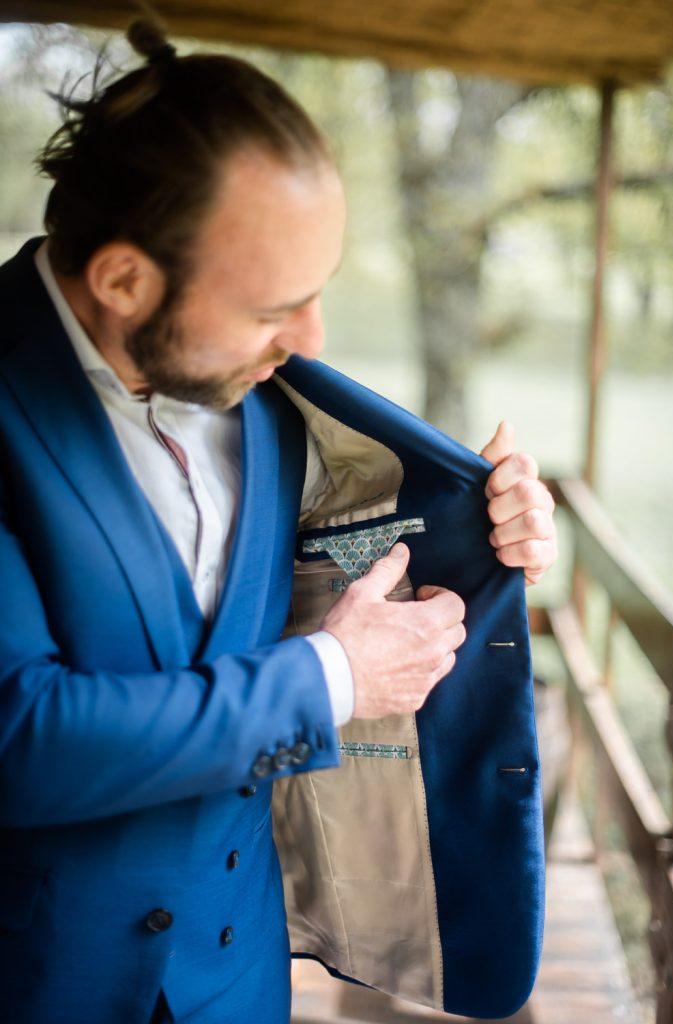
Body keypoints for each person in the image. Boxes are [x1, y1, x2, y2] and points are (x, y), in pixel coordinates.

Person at [0, 18, 557, 1024]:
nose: (309, 340)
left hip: (241, 978)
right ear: (123, 280)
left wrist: (489, 528)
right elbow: (22, 736)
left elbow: (336, 551)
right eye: (271, 309)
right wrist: (333, 678)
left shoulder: (277, 400)